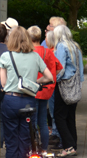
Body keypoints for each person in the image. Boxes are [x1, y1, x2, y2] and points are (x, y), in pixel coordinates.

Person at [0, 26, 54, 158]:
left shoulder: (6, 56)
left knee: (11, 141)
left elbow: (4, 83)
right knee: (26, 140)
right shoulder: (35, 56)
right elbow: (49, 77)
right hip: (29, 101)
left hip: (11, 100)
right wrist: (35, 83)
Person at [29, 25, 62, 156]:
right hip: (46, 90)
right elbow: (59, 67)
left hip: (31, 90)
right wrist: (50, 78)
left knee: (32, 121)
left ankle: (33, 147)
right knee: (43, 121)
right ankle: (44, 149)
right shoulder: (47, 51)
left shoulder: (28, 52)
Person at [53, 25, 84, 157]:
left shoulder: (61, 46)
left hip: (63, 85)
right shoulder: (75, 46)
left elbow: (60, 67)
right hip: (75, 84)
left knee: (59, 116)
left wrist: (54, 79)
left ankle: (68, 146)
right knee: (71, 117)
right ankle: (73, 145)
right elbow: (80, 69)